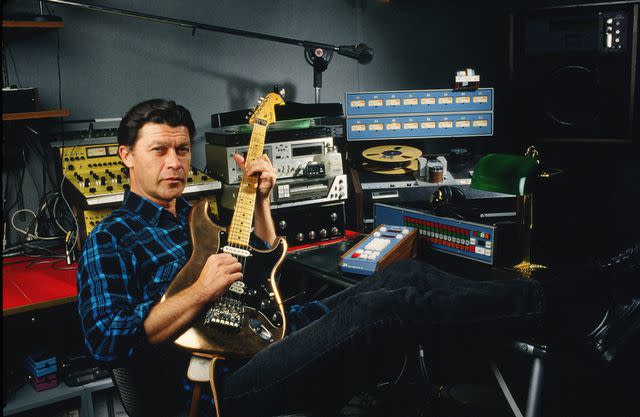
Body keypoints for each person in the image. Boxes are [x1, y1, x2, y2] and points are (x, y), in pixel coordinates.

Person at [76, 98, 636, 417]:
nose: (174, 162)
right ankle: (587, 303)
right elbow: (106, 338)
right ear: (126, 156)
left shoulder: (194, 219)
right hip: (218, 389)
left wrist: (264, 201)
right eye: (159, 151)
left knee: (408, 274)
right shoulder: (112, 238)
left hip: (270, 337)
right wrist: (199, 291)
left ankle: (573, 310)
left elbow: (260, 266)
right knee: (384, 308)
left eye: (180, 149)